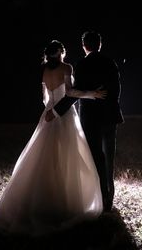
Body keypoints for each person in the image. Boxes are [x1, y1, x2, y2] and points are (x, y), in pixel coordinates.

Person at [0, 40, 107, 235]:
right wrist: (91, 94)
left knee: (44, 155)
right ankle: (65, 201)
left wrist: (51, 108)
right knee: (67, 154)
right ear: (61, 53)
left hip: (47, 114)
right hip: (64, 115)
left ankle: (43, 199)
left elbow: (44, 99)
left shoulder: (44, 71)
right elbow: (70, 92)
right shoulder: (67, 67)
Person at [46, 31, 124, 212]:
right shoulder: (110, 62)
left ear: (84, 46)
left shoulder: (82, 64)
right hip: (110, 117)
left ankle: (103, 198)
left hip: (91, 119)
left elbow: (74, 93)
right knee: (109, 158)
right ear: (99, 44)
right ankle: (109, 197)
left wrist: (56, 110)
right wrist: (109, 105)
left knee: (97, 157)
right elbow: (116, 89)